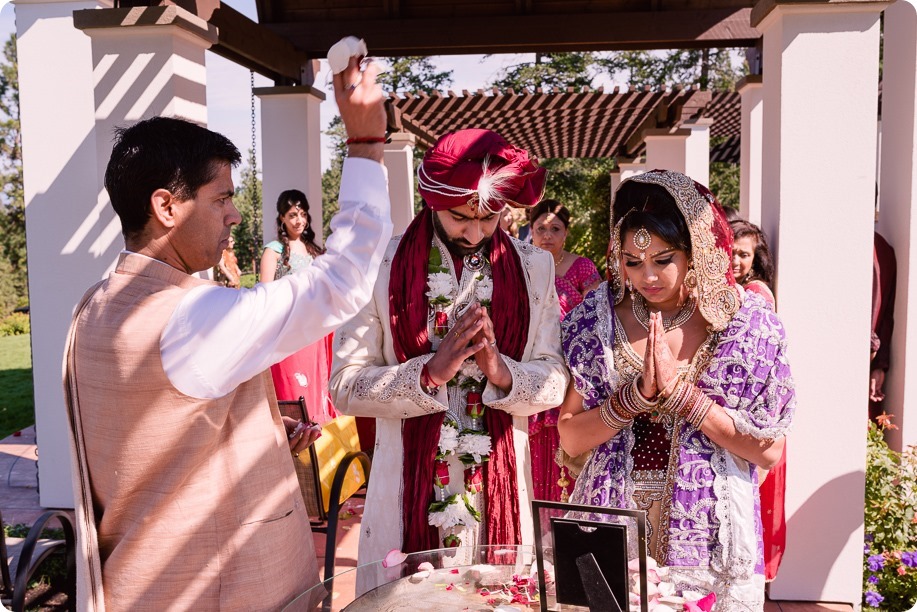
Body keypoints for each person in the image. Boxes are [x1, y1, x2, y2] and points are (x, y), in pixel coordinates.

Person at [62, 55, 392, 611]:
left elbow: (155, 437)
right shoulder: (190, 317)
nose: (236, 216)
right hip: (220, 591)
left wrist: (255, 430)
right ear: (166, 206)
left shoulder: (93, 306)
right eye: (221, 199)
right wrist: (364, 143)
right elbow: (342, 282)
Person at [330, 128, 569, 591]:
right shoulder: (380, 266)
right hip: (404, 493)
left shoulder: (533, 267)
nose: (476, 232)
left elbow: (555, 378)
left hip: (501, 490)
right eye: (461, 218)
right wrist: (429, 373)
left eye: (490, 218)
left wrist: (502, 372)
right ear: (432, 200)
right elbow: (343, 385)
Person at [558, 170, 795, 609]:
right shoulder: (599, 318)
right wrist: (633, 399)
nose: (646, 276)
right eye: (632, 261)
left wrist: (686, 399)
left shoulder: (744, 325)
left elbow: (768, 451)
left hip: (709, 530)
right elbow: (570, 436)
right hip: (613, 516)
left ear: (696, 253)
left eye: (662, 259)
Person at [527, 198, 601, 502]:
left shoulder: (581, 267)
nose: (547, 235)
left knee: (566, 438)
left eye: (555, 228)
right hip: (531, 365)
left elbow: (597, 316)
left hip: (572, 369)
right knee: (534, 446)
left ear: (566, 233)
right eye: (541, 228)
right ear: (529, 231)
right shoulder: (522, 265)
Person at [730, 218, 784, 583]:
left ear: (756, 259)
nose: (734, 259)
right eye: (730, 251)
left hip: (750, 416)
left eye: (743, 254)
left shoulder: (757, 294)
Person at [260, 189, 336, 425]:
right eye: (292, 215)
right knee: (295, 383)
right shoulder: (274, 250)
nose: (299, 220)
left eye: (303, 214)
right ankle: (295, 435)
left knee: (318, 382)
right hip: (289, 330)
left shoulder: (313, 249)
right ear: (281, 217)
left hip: (316, 330)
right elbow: (265, 291)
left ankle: (320, 439)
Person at [870, 231, 896, 418]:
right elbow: (887, 316)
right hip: (872, 361)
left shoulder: (874, 248)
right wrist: (880, 365)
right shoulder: (884, 249)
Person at [731, 219, 776, 307]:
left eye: (744, 255)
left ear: (755, 258)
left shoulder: (756, 292)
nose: (735, 262)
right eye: (729, 253)